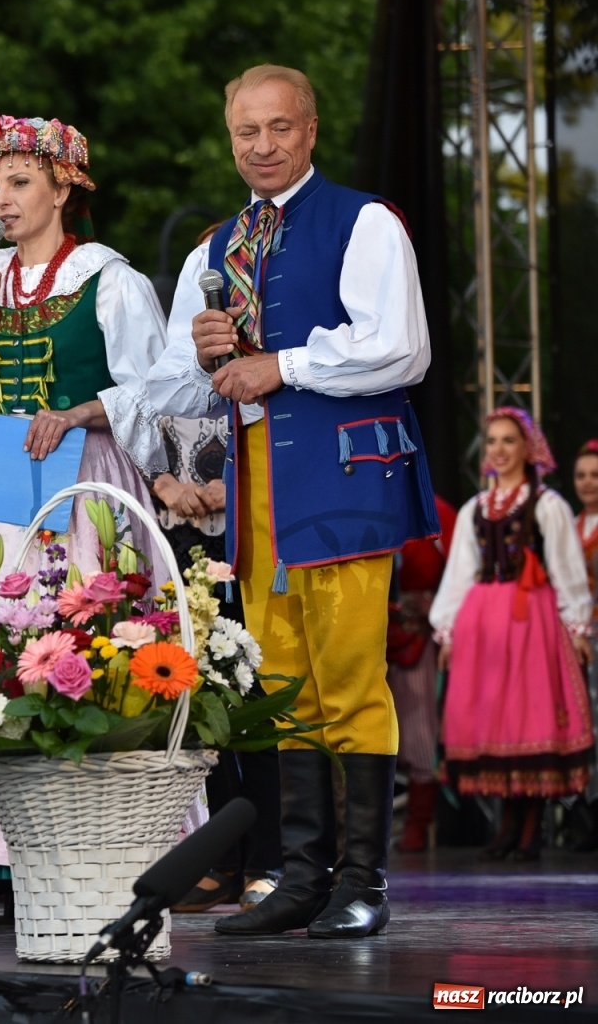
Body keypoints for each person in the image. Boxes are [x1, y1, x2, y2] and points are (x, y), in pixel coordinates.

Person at [146, 64, 439, 939]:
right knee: (283, 686)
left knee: (351, 679)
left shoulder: (365, 222)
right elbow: (182, 392)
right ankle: (301, 876)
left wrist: (286, 363)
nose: (263, 146)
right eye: (247, 132)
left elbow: (401, 349)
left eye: (279, 128)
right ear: (229, 138)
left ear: (309, 130)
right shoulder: (214, 248)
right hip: (255, 485)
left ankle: (365, 882)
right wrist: (205, 362)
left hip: (344, 481)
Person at [0, 115, 170, 921]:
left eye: (21, 182)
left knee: (74, 644)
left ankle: (84, 839)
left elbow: (157, 392)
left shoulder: (108, 279)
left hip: (81, 486)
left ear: (65, 188)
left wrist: (79, 411)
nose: (5, 198)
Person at [429, 410, 594, 860]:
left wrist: (577, 625)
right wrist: (447, 632)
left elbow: (565, 568)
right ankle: (507, 829)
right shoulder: (475, 509)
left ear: (528, 448)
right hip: (484, 625)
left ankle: (530, 831)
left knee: (531, 718)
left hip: (532, 621)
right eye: (493, 442)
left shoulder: (547, 505)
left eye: (509, 441)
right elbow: (459, 575)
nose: (499, 450)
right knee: (495, 720)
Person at [150, 408, 284, 914]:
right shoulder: (155, 332)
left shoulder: (254, 332)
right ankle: (225, 860)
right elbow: (136, 415)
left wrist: (242, 479)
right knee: (200, 693)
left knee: (255, 694)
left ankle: (269, 861)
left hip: (248, 514)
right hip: (177, 525)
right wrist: (161, 481)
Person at [386, 494, 457, 853]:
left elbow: (462, 575)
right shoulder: (367, 498)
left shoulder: (438, 512)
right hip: (368, 631)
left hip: (418, 636)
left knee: (419, 730)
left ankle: (417, 824)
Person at [573, 440, 598, 850]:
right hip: (579, 637)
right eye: (581, 476)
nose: (588, 482)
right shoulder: (571, 524)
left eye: (595, 475)